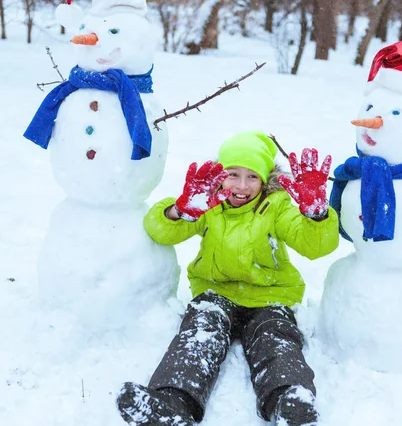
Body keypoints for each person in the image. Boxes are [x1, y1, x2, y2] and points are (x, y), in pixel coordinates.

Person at [116, 131, 339, 426]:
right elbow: (159, 231)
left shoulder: (277, 205)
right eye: (233, 174)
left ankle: (290, 403)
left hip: (269, 296)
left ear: (265, 181)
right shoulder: (207, 203)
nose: (242, 185)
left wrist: (317, 216)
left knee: (276, 341)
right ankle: (172, 404)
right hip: (214, 293)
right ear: (220, 174)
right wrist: (179, 211)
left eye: (253, 177)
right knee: (198, 337)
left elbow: (316, 247)